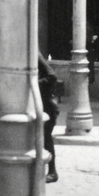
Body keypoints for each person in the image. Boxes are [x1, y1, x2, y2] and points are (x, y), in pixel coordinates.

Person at [37, 55, 60, 183]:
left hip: (48, 106)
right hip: (37, 105)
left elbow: (52, 76)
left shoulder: (34, 54)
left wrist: (34, 83)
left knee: (46, 139)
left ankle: (52, 172)